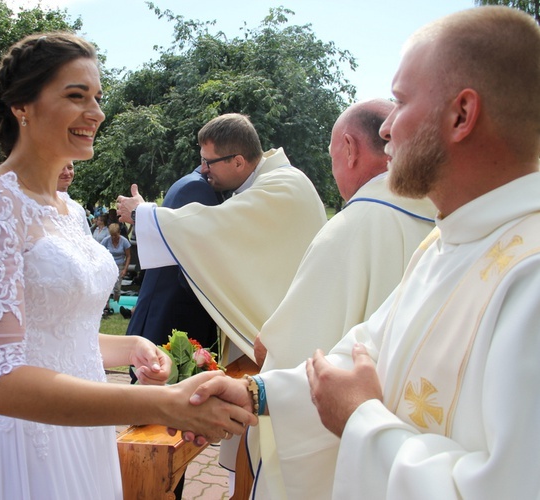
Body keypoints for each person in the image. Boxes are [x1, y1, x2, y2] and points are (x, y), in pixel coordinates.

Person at [186, 7, 540, 499]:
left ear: (462, 114)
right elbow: (358, 358)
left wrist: (361, 420)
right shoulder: (445, 242)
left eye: (400, 101)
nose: (389, 127)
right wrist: (256, 393)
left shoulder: (530, 275)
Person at [0, 32, 254, 500]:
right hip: (24, 443)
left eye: (97, 98)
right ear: (22, 105)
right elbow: (1, 382)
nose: (96, 113)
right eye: (75, 96)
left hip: (83, 431)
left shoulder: (67, 209)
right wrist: (163, 403)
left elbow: (53, 332)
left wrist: (128, 347)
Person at [117, 113, 327, 360]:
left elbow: (212, 227)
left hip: (289, 333)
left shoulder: (281, 185)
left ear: (238, 162)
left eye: (209, 162)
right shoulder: (276, 182)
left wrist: (141, 214)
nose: (203, 170)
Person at [255, 99, 437, 371]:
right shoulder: (444, 222)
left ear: (350, 149)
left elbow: (290, 356)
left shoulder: (349, 229)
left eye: (332, 155)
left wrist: (268, 346)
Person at [125, 165, 221, 356]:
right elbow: (191, 258)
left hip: (164, 315)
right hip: (173, 319)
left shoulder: (191, 183)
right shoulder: (197, 189)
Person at [100, 222, 131, 305]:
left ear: (119, 233)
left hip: (119, 265)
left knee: (117, 287)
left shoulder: (124, 241)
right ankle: (106, 305)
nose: (114, 237)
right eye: (112, 235)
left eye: (115, 235)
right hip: (108, 265)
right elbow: (100, 253)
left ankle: (116, 303)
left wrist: (125, 269)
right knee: (107, 286)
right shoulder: (106, 241)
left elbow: (128, 256)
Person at [57, 161, 91, 235]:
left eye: (70, 168)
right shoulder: (39, 207)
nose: (66, 173)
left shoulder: (78, 209)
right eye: (61, 167)